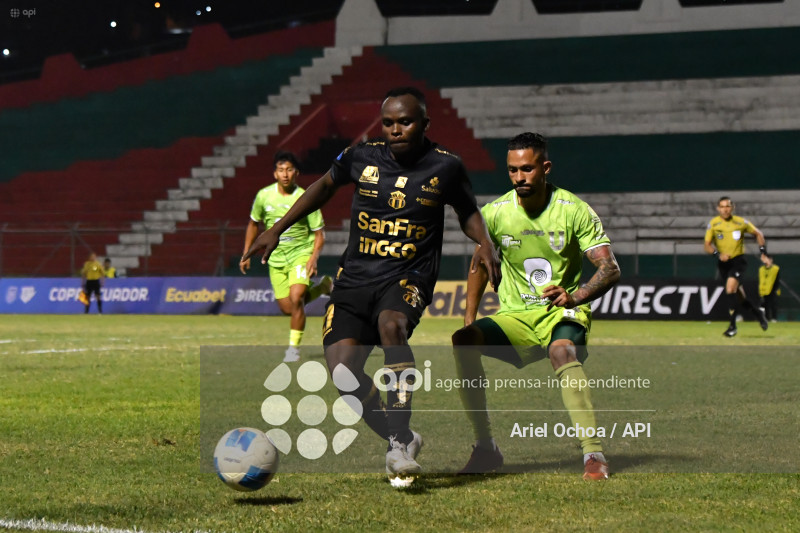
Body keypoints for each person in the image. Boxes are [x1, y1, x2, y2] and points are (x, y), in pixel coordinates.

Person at [242, 87, 501, 483]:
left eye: (406, 122)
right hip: (354, 280)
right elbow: (323, 186)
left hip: (408, 275)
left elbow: (468, 211)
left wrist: (484, 242)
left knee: (391, 325)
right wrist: (277, 228)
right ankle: (404, 439)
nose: (396, 130)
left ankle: (397, 443)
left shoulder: (445, 166)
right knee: (343, 373)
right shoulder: (361, 156)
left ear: (424, 124)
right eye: (389, 122)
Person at [451, 132, 620, 481]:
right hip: (516, 316)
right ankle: (486, 448)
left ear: (545, 167)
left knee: (562, 351)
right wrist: (469, 319)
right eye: (512, 170)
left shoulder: (573, 210)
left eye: (527, 169)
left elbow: (609, 268)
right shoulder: (495, 213)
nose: (519, 177)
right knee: (463, 341)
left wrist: (576, 296)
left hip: (562, 312)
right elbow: (479, 262)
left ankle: (593, 454)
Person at [240, 150, 332, 363]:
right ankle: (323, 287)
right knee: (288, 308)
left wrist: (313, 258)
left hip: (300, 253)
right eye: (281, 170)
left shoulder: (306, 197)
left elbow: (319, 234)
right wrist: (247, 252)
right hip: (275, 258)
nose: (285, 174)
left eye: (289, 170)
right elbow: (253, 224)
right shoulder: (264, 196)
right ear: (275, 173)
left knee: (297, 297)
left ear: (296, 173)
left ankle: (293, 350)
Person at [704, 196, 769, 337]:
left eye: (727, 206)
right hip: (723, 264)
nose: (725, 209)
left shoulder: (740, 222)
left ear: (732, 208)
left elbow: (758, 234)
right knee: (740, 298)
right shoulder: (714, 224)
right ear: (718, 208)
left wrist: (763, 253)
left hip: (738, 261)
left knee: (730, 289)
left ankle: (732, 326)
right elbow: (707, 245)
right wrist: (717, 254)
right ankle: (758, 313)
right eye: (722, 207)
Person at [758, 253, 780, 322]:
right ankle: (766, 318)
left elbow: (777, 280)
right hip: (763, 289)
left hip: (772, 289)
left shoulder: (775, 268)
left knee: (773, 304)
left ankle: (774, 318)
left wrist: (776, 289)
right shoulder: (761, 269)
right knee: (764, 305)